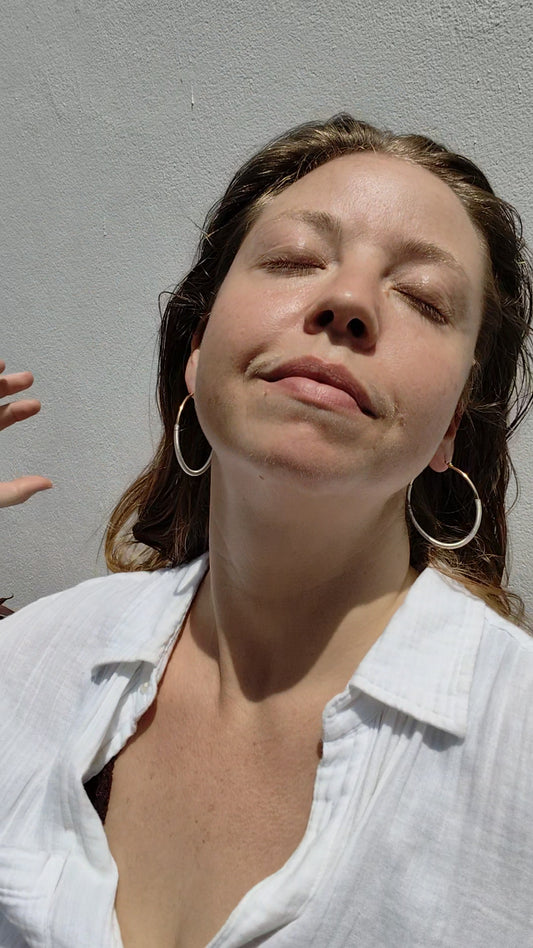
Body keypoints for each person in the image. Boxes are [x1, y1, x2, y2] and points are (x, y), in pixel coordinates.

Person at [1, 114, 533, 948]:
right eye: (292, 260)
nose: (347, 301)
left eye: (424, 299)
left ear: (451, 429)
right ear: (197, 345)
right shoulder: (28, 662)